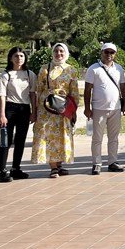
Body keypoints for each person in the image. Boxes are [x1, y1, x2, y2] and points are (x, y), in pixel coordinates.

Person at [34, 42, 79, 178]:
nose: (58, 54)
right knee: (48, 135)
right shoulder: (45, 69)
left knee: (61, 135)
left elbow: (74, 91)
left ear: (66, 53)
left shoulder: (71, 70)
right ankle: (53, 166)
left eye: (61, 51)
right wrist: (36, 109)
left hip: (63, 107)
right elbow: (38, 89)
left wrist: (74, 109)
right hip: (47, 107)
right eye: (56, 51)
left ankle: (59, 165)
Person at [84, 42, 125, 175]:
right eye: (106, 52)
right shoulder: (93, 69)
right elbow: (87, 89)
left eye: (112, 52)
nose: (109, 55)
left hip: (115, 108)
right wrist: (87, 108)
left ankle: (112, 162)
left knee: (113, 137)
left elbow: (123, 87)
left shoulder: (119, 68)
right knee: (97, 138)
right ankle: (96, 163)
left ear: (115, 54)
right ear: (101, 52)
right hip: (98, 108)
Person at [0, 46, 37, 182]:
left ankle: (16, 168)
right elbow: (1, 96)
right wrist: (2, 114)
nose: (19, 59)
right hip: (9, 109)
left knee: (20, 141)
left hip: (24, 109)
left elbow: (32, 94)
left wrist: (33, 112)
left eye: (21, 56)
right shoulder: (6, 74)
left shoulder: (30, 74)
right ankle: (1, 171)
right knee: (5, 142)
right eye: (16, 56)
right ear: (10, 58)